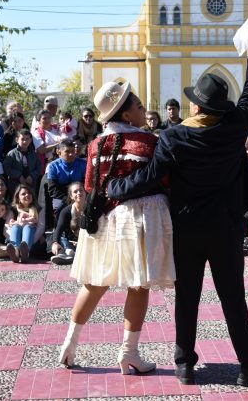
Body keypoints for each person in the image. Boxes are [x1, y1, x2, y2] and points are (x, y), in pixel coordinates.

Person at [107, 18, 248, 386]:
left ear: (196, 104)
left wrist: (117, 188)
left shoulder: (174, 136)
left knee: (187, 298)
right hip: (226, 228)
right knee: (234, 299)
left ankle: (185, 364)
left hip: (186, 228)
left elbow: (150, 177)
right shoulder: (235, 126)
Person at [62, 81, 175, 379]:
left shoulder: (95, 144)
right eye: (138, 107)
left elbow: (89, 186)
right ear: (126, 115)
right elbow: (163, 179)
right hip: (139, 217)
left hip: (102, 219)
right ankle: (129, 353)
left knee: (94, 281)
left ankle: (69, 344)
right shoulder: (148, 142)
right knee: (138, 284)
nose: (143, 111)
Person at [46, 140, 87, 215]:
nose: (71, 154)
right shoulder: (53, 166)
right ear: (59, 152)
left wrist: (78, 196)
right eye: (67, 152)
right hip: (61, 197)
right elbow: (52, 189)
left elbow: (87, 184)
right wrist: (68, 199)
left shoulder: (83, 164)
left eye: (73, 151)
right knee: (60, 213)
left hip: (80, 194)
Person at [49, 182, 86, 265]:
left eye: (81, 190)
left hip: (86, 241)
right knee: (62, 240)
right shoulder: (66, 211)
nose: (79, 193)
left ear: (85, 192)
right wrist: (55, 242)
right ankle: (66, 254)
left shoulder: (91, 209)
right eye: (75, 192)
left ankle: (70, 255)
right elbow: (59, 229)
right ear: (71, 196)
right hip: (70, 242)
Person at [6, 184, 45, 263]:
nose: (27, 195)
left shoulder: (38, 209)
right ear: (18, 197)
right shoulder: (13, 209)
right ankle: (16, 252)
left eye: (29, 193)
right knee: (15, 227)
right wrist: (15, 224)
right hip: (15, 239)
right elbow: (6, 228)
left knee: (28, 227)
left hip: (33, 240)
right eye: (23, 194)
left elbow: (41, 227)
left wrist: (30, 241)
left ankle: (25, 252)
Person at [3, 128, 41, 197]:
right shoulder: (11, 154)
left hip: (31, 184)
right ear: (17, 140)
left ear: (30, 140)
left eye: (27, 139)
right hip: (15, 185)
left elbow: (39, 167)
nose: (25, 141)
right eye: (22, 139)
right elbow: (7, 168)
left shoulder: (34, 154)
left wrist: (32, 176)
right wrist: (18, 176)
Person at [32, 109, 62, 173]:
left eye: (49, 118)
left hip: (62, 160)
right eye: (44, 118)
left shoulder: (57, 128)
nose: (47, 120)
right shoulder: (37, 133)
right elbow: (41, 150)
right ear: (39, 120)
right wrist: (58, 144)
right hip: (48, 163)